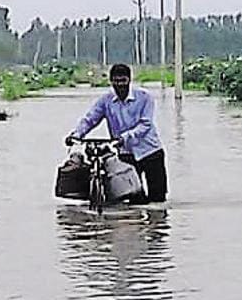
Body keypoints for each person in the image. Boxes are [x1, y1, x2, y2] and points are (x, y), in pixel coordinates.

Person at [65, 63, 168, 203]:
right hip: (126, 155)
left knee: (158, 200)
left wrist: (124, 138)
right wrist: (76, 135)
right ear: (111, 81)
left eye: (123, 81)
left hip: (150, 151)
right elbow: (90, 119)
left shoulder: (145, 98)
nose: (120, 85)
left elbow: (145, 124)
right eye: (116, 81)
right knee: (133, 198)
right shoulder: (106, 101)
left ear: (129, 80)